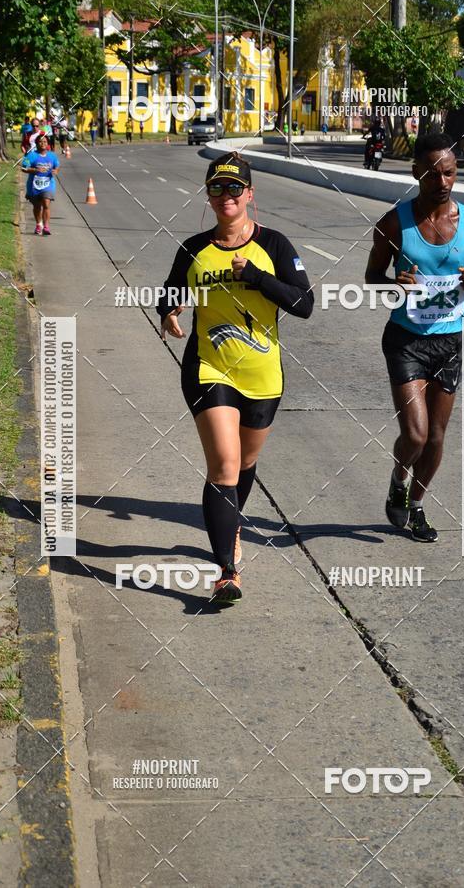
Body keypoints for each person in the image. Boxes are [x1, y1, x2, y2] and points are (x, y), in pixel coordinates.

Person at [156, 152, 314, 603]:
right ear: (208, 196)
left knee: (244, 465)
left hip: (263, 374)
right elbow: (168, 292)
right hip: (209, 368)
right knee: (224, 466)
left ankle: (232, 526)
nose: (225, 196)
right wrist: (169, 311)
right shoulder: (193, 247)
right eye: (216, 188)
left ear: (249, 194)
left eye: (233, 188)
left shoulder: (275, 244)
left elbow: (303, 304)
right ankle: (226, 570)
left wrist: (260, 277)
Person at [364, 131, 464, 542]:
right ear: (417, 172)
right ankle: (399, 477)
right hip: (406, 339)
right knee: (415, 433)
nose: (443, 183)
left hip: (451, 341)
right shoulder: (393, 223)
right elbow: (371, 277)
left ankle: (416, 506)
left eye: (450, 174)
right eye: (434, 174)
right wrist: (394, 285)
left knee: (436, 436)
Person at [22, 135, 60, 236]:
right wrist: (35, 170)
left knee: (46, 203)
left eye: (45, 142)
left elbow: (57, 166)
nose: (43, 144)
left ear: (47, 144)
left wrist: (56, 171)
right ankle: (39, 224)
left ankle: (46, 227)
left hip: (48, 184)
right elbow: (23, 168)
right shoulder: (31, 155)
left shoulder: (52, 156)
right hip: (34, 185)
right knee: (37, 206)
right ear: (37, 143)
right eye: (40, 142)